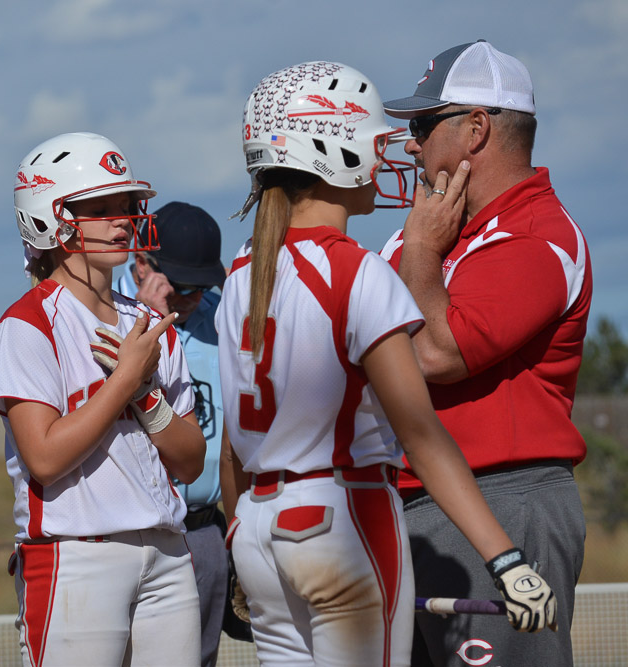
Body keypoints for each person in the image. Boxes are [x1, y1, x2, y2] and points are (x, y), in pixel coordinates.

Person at [216, 61, 557, 666]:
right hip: (342, 520)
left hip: (257, 527)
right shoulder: (356, 270)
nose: (390, 156)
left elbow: (233, 448)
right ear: (332, 151)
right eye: (375, 142)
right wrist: (505, 559)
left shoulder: (243, 271)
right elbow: (421, 436)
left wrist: (239, 531)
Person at [380, 40, 592, 666]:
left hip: (502, 498)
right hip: (410, 500)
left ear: (476, 128)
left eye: (423, 125)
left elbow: (435, 356)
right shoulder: (437, 227)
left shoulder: (538, 235)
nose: (411, 145)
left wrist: (421, 253)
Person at [0, 132, 206, 666]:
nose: (121, 221)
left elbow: (191, 461)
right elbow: (44, 458)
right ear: (50, 219)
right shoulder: (27, 324)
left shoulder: (151, 323)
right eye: (100, 209)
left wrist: (146, 397)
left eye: (125, 206)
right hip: (76, 556)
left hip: (167, 551)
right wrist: (125, 381)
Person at [116, 201, 238, 664]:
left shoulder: (221, 317)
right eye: (182, 286)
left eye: (202, 287)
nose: (192, 299)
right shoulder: (104, 312)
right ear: (141, 264)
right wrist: (146, 319)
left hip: (203, 529)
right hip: (130, 534)